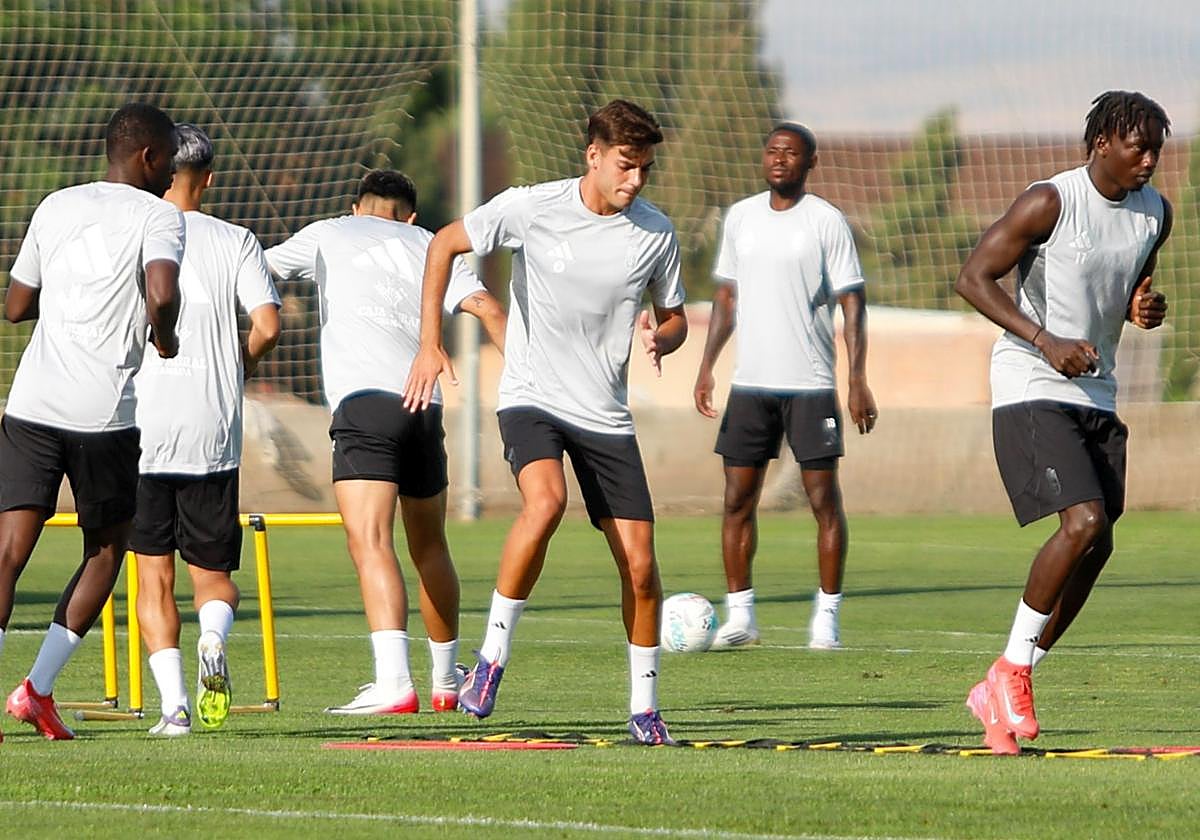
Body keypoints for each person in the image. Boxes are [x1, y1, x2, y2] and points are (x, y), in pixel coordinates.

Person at [405, 99, 688, 745]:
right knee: (546, 501)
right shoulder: (533, 207)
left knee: (641, 567)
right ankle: (492, 660)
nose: (635, 180)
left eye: (645, 169)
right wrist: (430, 341)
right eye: (625, 166)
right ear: (593, 154)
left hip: (606, 415)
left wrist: (662, 338)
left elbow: (674, 316)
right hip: (532, 395)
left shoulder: (656, 234)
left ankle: (645, 709)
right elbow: (446, 243)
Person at [955, 91, 1172, 755]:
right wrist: (1043, 338)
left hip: (1097, 394)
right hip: (1031, 385)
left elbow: (1132, 278)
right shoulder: (1050, 200)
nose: (1150, 160)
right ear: (1102, 141)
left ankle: (1006, 679)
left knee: (1097, 543)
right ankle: (1012, 671)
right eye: (1139, 146)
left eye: (1157, 148)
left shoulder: (1155, 212)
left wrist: (1141, 304)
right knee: (1081, 522)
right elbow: (973, 277)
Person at [265, 170, 506, 715]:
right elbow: (490, 309)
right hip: (425, 408)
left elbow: (257, 269)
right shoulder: (430, 244)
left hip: (365, 404)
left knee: (370, 540)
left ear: (356, 208)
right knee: (431, 546)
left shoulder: (329, 231)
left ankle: (393, 681)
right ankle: (447, 681)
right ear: (412, 216)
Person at [0, 102, 184, 741]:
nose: (171, 175)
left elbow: (16, 304)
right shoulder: (161, 215)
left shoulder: (55, 204)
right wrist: (165, 337)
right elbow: (161, 293)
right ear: (147, 157)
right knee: (106, 550)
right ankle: (36, 689)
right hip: (102, 415)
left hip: (31, 405)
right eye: (169, 160)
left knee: (9, 551)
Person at [694, 123, 877, 653]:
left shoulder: (825, 222)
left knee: (823, 500)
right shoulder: (742, 217)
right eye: (772, 150)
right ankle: (741, 616)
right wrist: (708, 366)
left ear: (810, 162)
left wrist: (856, 377)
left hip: (811, 385)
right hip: (751, 385)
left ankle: (827, 617)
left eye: (791, 153)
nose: (780, 159)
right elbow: (726, 298)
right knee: (736, 500)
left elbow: (853, 302)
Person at [130, 124, 282, 737]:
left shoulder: (138, 232)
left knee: (151, 577)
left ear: (158, 171)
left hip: (141, 427)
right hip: (211, 430)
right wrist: (235, 364)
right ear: (209, 179)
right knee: (214, 579)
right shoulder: (237, 239)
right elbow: (268, 324)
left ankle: (174, 710)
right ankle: (212, 643)